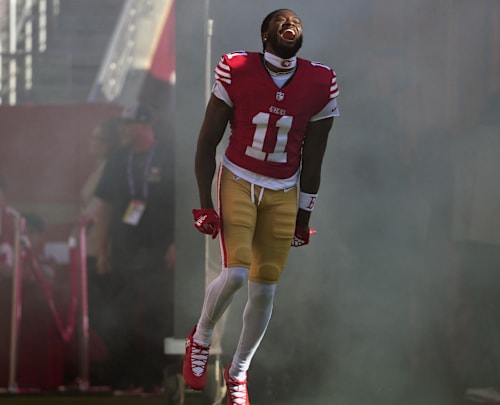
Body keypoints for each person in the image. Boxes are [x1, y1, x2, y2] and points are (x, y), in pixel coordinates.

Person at [183, 8, 339, 405]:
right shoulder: (237, 68)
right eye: (281, 19)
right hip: (239, 177)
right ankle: (200, 340)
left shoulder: (321, 81)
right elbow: (207, 142)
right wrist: (204, 203)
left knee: (265, 290)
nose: (292, 22)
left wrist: (305, 215)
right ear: (265, 34)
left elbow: (314, 158)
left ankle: (238, 374)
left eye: (297, 20)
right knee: (235, 275)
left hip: (284, 189)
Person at [94, 102, 175, 394]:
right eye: (122, 124)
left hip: (158, 251)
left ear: (144, 125)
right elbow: (105, 206)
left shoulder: (168, 156)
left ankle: (154, 379)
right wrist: (102, 250)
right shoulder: (117, 159)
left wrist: (177, 243)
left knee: (157, 316)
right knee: (118, 316)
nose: (123, 129)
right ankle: (122, 379)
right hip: (124, 250)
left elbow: (185, 202)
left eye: (128, 124)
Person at [76, 116, 126, 386]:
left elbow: (98, 210)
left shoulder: (109, 170)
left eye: (96, 138)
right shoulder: (101, 169)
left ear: (106, 143)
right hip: (91, 247)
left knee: (102, 310)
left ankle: (107, 365)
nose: (91, 143)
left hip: (98, 249)